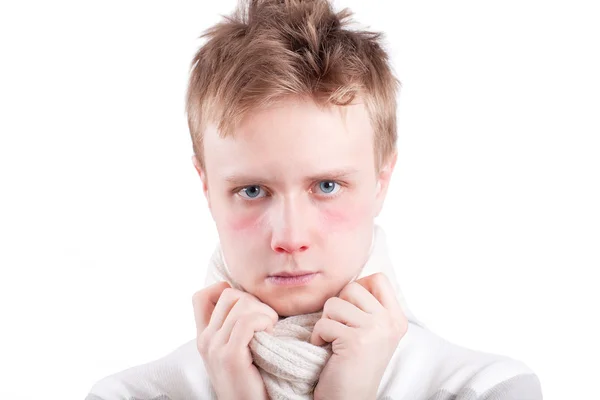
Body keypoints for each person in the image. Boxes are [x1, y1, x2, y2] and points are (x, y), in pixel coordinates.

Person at [86, 0, 543, 399]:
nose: (290, 237)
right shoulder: (126, 395)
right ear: (206, 187)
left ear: (382, 180)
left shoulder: (487, 388)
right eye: (251, 191)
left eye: (326, 186)